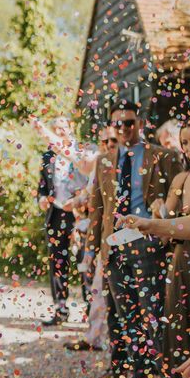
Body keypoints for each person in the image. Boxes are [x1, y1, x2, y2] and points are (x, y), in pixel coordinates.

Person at [85, 100, 183, 378]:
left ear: (139, 123)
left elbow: (177, 200)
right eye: (119, 124)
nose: (125, 128)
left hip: (147, 242)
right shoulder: (104, 161)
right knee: (126, 316)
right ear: (112, 126)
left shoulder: (163, 157)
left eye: (130, 122)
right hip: (114, 246)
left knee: (153, 314)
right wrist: (92, 250)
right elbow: (97, 209)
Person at [65, 127, 119, 352]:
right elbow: (93, 200)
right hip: (106, 238)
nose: (108, 145)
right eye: (104, 141)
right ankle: (94, 337)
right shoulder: (101, 164)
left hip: (134, 238)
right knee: (98, 290)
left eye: (113, 141)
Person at [36, 117, 89, 326]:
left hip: (79, 213)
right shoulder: (48, 156)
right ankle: (60, 309)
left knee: (84, 259)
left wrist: (79, 203)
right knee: (58, 261)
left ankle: (90, 309)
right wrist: (41, 197)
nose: (59, 132)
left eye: (63, 129)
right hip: (56, 213)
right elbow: (43, 185)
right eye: (55, 129)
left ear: (71, 128)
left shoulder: (81, 152)